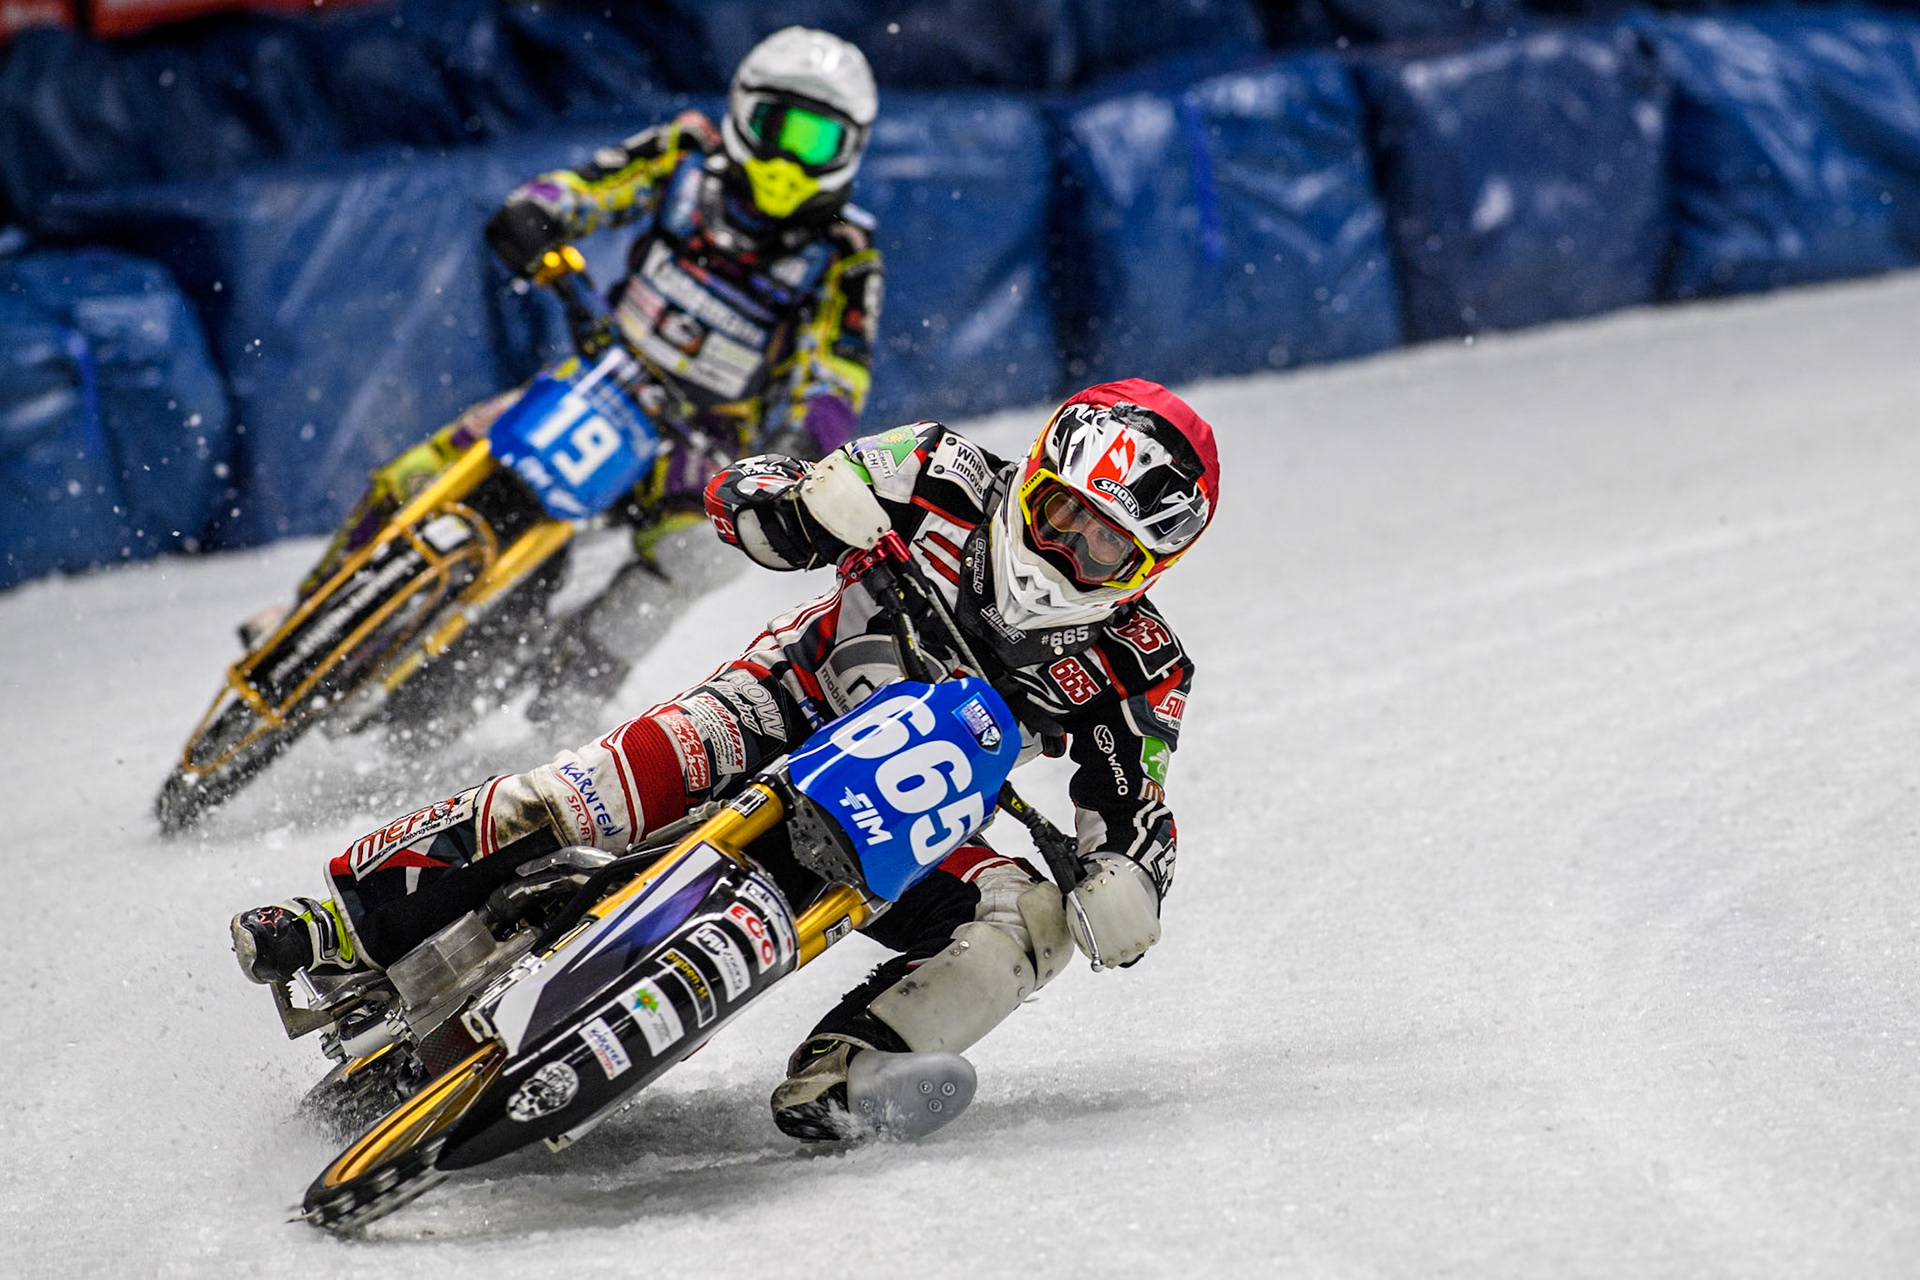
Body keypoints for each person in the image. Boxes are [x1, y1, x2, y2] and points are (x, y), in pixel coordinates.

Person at [232, 378, 1218, 1142]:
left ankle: (854, 1069)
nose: (1068, 548)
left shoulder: (1145, 662)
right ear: (1033, 476)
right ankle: (345, 918)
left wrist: (1130, 875)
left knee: (1032, 918)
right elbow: (749, 496)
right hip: (784, 700)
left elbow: (1136, 805)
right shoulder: (938, 466)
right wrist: (799, 502)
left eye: (1103, 545)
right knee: (588, 793)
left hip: (917, 815)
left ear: (1146, 570)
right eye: (1061, 513)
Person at [248, 26, 886, 720]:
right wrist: (539, 212)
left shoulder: (845, 256)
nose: (790, 159)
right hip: (603, 382)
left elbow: (835, 376)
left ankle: (577, 678)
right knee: (427, 468)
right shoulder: (687, 155)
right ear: (742, 112)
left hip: (700, 443)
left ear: (849, 152)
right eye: (778, 128)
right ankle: (306, 611)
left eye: (817, 141)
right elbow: (591, 186)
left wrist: (800, 446)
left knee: (710, 551)